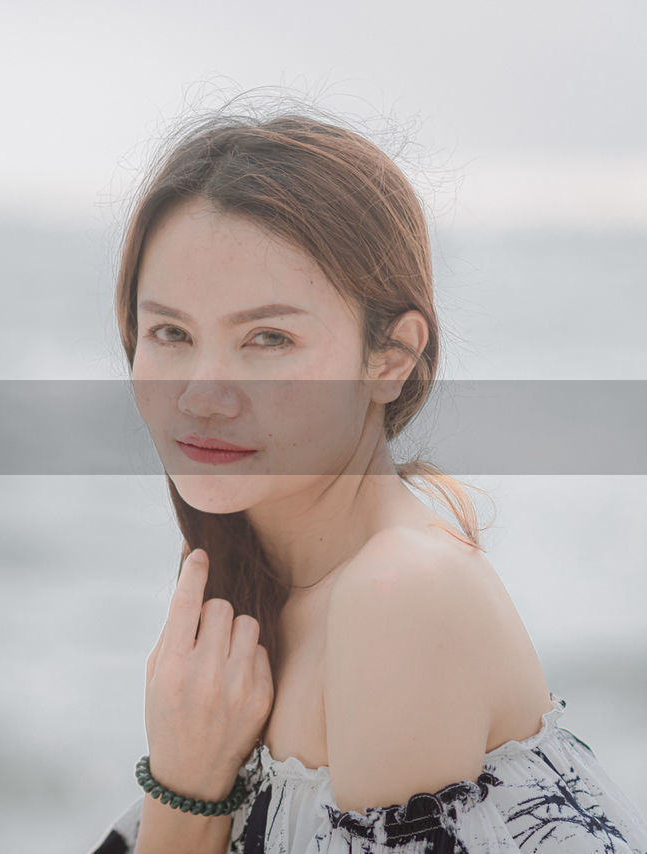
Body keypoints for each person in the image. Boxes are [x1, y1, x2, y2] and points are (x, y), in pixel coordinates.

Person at [86, 101, 647, 853]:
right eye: (170, 334)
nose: (201, 395)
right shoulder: (263, 596)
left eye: (269, 339)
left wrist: (186, 789)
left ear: (391, 357)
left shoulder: (397, 597)